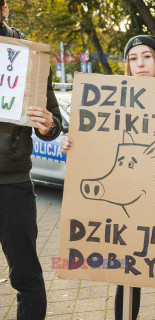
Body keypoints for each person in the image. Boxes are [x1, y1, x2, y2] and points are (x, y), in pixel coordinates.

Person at [61, 35, 155, 320]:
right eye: (133, 58)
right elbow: (99, 149)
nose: (140, 63)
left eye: (147, 56)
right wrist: (72, 145)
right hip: (123, 216)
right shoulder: (112, 101)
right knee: (126, 281)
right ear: (127, 64)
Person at [0, 1, 62, 319]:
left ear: (4, 10)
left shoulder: (30, 59)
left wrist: (48, 124)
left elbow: (54, 126)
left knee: (27, 282)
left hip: (13, 188)